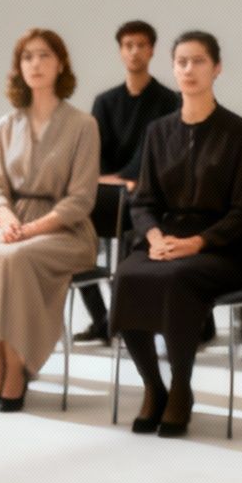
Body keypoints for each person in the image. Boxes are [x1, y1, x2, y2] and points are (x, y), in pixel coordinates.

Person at [110, 32, 242, 438]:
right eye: (181, 62)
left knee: (177, 280)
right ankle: (153, 387)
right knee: (127, 277)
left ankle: (181, 388)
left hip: (220, 247)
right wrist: (156, 238)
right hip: (164, 240)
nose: (188, 70)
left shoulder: (239, 133)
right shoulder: (158, 131)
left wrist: (196, 243)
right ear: (173, 68)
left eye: (197, 61)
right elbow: (142, 201)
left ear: (217, 68)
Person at [0, 29, 101, 413]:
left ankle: (17, 366)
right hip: (13, 222)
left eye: (44, 55)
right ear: (18, 67)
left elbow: (81, 199)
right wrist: (7, 219)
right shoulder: (6, 125)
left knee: (13, 258)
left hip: (65, 229)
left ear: (60, 64)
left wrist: (31, 231)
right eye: (27, 57)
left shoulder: (82, 125)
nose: (35, 64)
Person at [77, 20, 180, 345]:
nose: (134, 51)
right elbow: (97, 149)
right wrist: (109, 178)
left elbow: (156, 149)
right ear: (121, 51)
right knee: (76, 241)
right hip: (108, 188)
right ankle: (102, 320)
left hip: (147, 191)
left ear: (151, 50)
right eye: (128, 45)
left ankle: (121, 320)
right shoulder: (105, 101)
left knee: (131, 239)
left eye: (140, 45)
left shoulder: (167, 100)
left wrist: (130, 179)